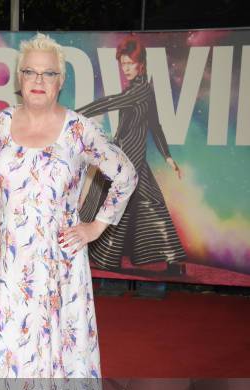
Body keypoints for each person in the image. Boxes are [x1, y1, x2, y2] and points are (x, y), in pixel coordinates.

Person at [0, 33, 137, 390]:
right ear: (20, 79)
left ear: (60, 82)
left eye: (49, 73)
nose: (39, 79)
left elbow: (125, 173)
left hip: (58, 260)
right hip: (11, 255)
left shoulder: (78, 129)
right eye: (31, 72)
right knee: (6, 343)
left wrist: (97, 225)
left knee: (45, 341)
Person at [77, 35, 186, 277]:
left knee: (119, 204)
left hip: (129, 161)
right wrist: (168, 157)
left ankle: (112, 260)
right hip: (124, 157)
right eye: (123, 64)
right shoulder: (141, 91)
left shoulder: (140, 92)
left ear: (141, 64)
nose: (125, 68)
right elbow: (155, 126)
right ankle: (170, 262)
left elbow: (108, 102)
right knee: (111, 201)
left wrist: (71, 116)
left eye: (129, 63)